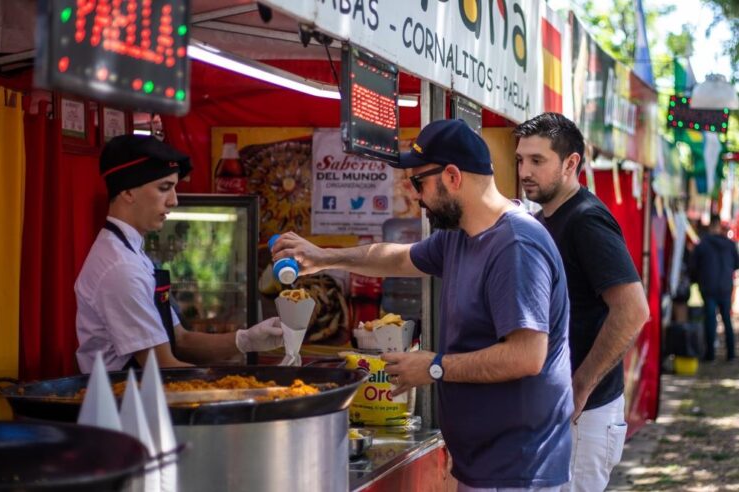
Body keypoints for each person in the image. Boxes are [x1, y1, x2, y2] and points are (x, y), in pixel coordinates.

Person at [272, 119, 573, 491]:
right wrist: (324, 257)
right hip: (486, 465)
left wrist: (433, 368)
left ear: (452, 176)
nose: (414, 195)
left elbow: (526, 356)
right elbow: (398, 258)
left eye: (418, 183)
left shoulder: (515, 246)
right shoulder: (462, 236)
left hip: (517, 470)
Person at [514, 112, 650, 492]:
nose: (525, 170)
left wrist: (580, 387)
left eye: (537, 161)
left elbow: (633, 310)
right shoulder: (544, 219)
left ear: (571, 163)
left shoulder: (585, 219)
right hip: (556, 410)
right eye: (521, 159)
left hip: (585, 414)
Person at [75, 134, 284, 373]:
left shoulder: (133, 254)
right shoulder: (120, 269)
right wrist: (233, 389)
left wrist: (247, 340)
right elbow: (163, 369)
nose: (174, 201)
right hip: (124, 404)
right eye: (164, 188)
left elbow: (181, 341)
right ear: (128, 192)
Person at [689, 215, 739, 361]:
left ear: (711, 226)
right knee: (726, 320)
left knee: (710, 320)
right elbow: (736, 264)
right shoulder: (729, 245)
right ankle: (730, 354)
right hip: (724, 287)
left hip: (708, 286)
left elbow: (693, 266)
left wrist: (697, 279)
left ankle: (710, 353)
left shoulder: (702, 244)